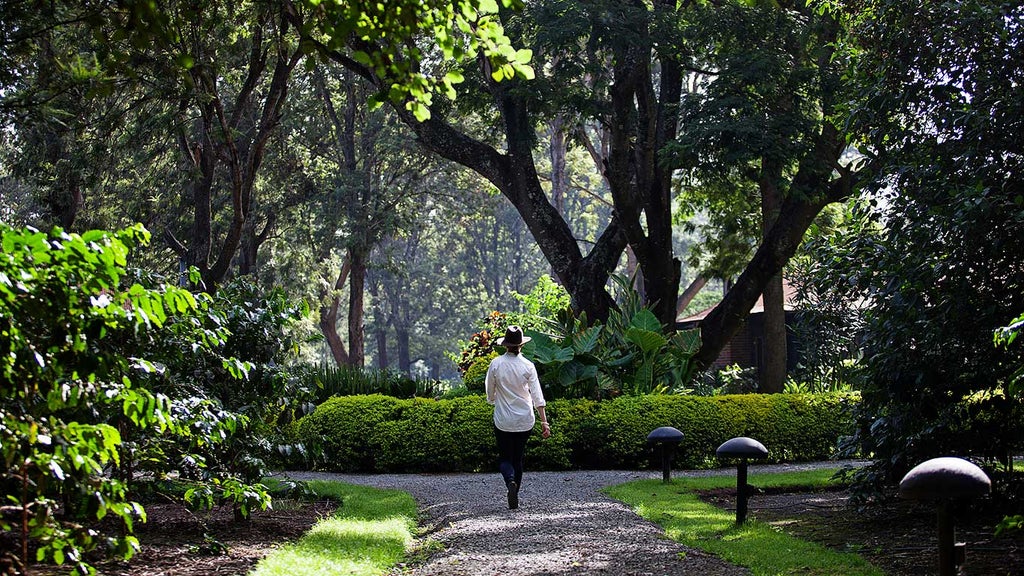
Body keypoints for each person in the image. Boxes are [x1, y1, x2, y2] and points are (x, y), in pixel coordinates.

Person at [485, 325, 550, 510]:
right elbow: (537, 396)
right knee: (518, 458)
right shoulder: (528, 366)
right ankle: (515, 491)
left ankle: (510, 482)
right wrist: (544, 422)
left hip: (503, 419)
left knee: (505, 457)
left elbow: (490, 391)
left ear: (505, 345)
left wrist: (493, 399)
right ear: (521, 345)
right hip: (525, 419)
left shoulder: (496, 364)